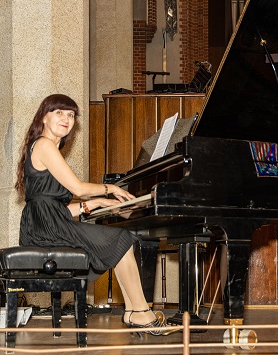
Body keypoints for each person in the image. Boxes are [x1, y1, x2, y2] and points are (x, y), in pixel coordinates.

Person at [15, 94, 174, 336]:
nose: (66, 119)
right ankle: (140, 313)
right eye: (59, 112)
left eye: (71, 115)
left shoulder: (44, 148)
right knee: (121, 239)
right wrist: (110, 188)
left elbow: (55, 209)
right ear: (44, 117)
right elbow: (78, 189)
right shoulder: (45, 145)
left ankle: (134, 311)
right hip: (44, 229)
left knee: (120, 241)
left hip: (44, 225)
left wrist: (97, 203)